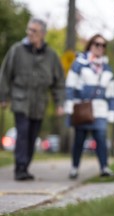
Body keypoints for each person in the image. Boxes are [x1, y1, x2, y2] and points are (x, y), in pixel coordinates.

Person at [0, 18, 65, 181]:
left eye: (34, 31)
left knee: (32, 136)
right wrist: (3, 97)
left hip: (40, 103)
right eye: (28, 30)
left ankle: (25, 166)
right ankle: (20, 168)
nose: (29, 33)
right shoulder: (16, 50)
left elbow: (59, 82)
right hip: (20, 100)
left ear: (42, 34)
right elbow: (5, 75)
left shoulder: (51, 56)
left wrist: (60, 103)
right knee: (22, 133)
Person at [64, 34, 114, 179]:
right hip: (83, 109)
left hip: (100, 110)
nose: (100, 47)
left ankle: (104, 167)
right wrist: (70, 105)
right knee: (79, 140)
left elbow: (112, 93)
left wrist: (112, 111)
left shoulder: (107, 69)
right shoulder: (79, 64)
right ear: (90, 45)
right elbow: (70, 86)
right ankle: (74, 168)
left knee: (101, 138)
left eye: (103, 45)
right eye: (97, 44)